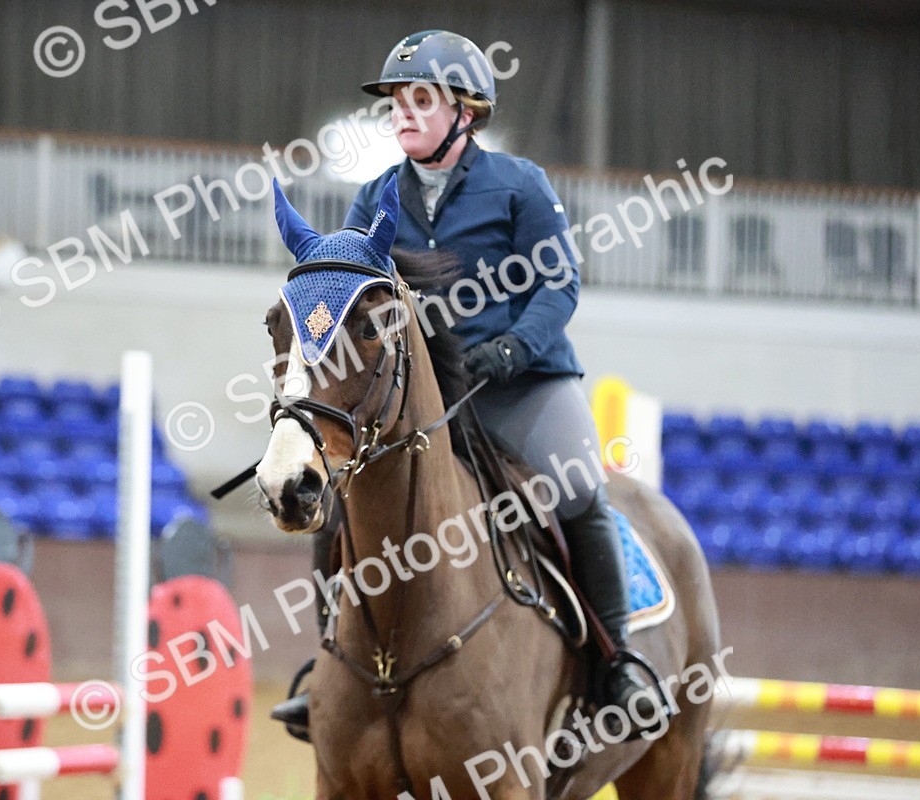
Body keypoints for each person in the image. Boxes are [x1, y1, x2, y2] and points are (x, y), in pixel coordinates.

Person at [271, 29, 658, 735]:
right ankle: (329, 662)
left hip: (524, 385)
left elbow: (559, 282)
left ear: (465, 111)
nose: (403, 114)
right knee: (339, 502)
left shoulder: (520, 185)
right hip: (427, 394)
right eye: (397, 102)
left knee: (577, 490)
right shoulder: (375, 198)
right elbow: (351, 293)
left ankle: (618, 663)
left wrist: (514, 347)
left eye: (421, 99)